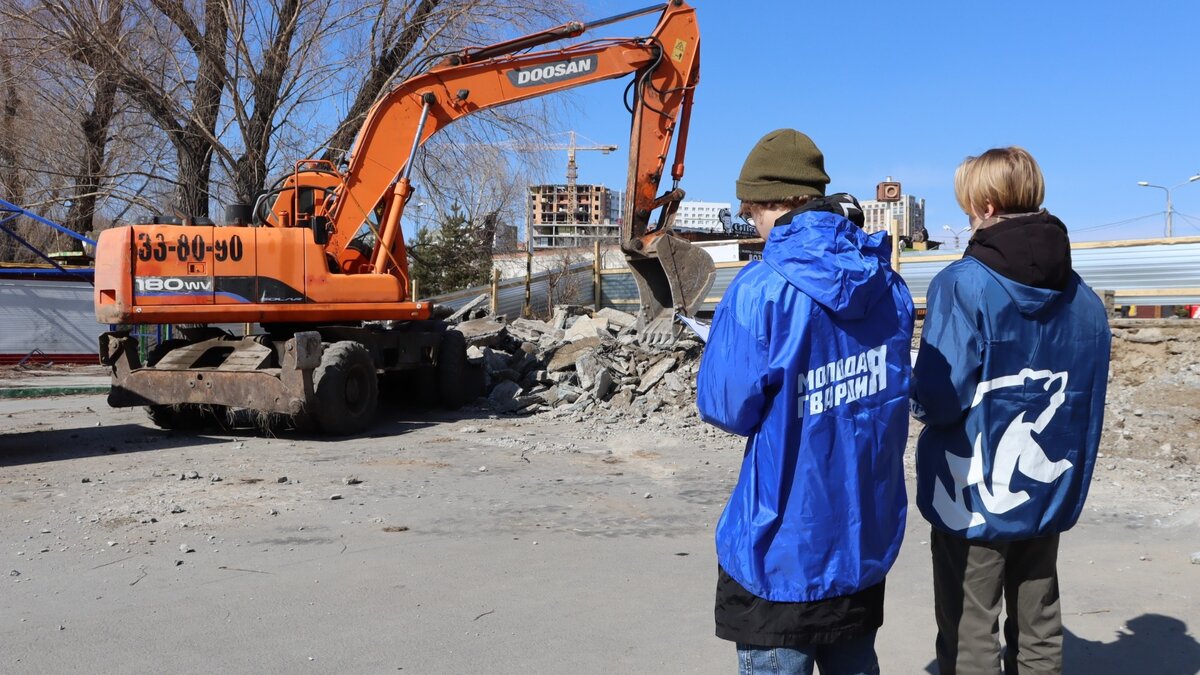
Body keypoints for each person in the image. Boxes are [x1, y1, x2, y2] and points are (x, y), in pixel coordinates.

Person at [696, 129, 915, 675]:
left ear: (773, 203)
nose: (752, 225)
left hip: (781, 548)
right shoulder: (887, 284)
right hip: (860, 536)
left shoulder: (759, 288)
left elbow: (727, 407)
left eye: (751, 212)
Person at [911, 146, 1111, 675]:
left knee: (970, 625)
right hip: (1046, 491)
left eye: (968, 204)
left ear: (988, 205)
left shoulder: (963, 283)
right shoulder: (1083, 297)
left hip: (973, 491)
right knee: (1040, 620)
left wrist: (916, 397)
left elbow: (940, 395)